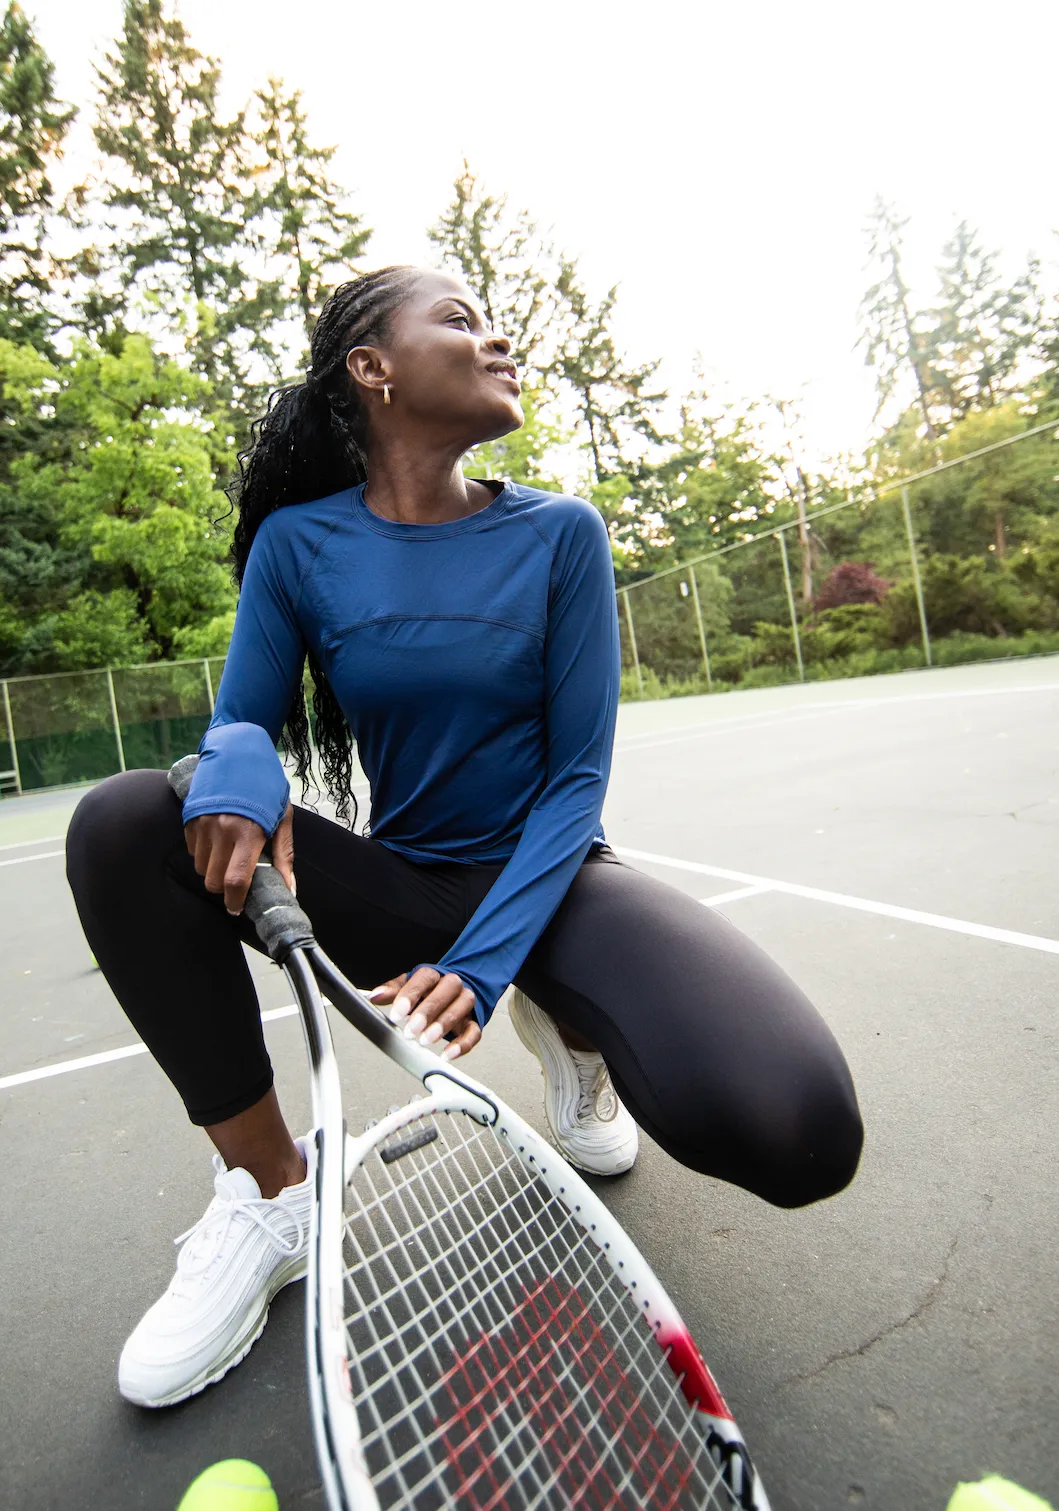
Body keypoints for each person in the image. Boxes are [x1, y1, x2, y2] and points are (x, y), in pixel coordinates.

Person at [65, 265, 863, 1410]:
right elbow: (243, 713)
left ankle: (573, 1044)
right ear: (372, 369)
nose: (498, 342)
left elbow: (578, 778)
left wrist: (487, 966)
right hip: (404, 883)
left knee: (799, 1127)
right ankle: (271, 1191)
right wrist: (235, 757)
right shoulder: (299, 546)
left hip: (557, 884)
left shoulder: (561, 534)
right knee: (125, 822)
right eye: (461, 321)